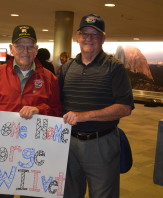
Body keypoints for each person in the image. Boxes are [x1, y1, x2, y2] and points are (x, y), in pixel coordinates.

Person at [0, 25, 62, 198]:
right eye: (20, 46)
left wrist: (39, 109)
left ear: (36, 49)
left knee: (31, 194)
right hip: (2, 150)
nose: (25, 51)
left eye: (29, 46)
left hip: (35, 151)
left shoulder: (49, 78)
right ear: (11, 49)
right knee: (1, 194)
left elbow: (57, 112)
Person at [59, 14, 134, 198]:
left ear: (103, 38)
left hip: (101, 143)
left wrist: (84, 116)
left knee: (103, 194)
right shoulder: (67, 68)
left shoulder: (114, 68)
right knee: (68, 193)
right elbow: (55, 102)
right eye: (85, 34)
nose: (89, 39)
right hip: (69, 143)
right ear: (77, 37)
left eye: (95, 34)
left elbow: (125, 107)